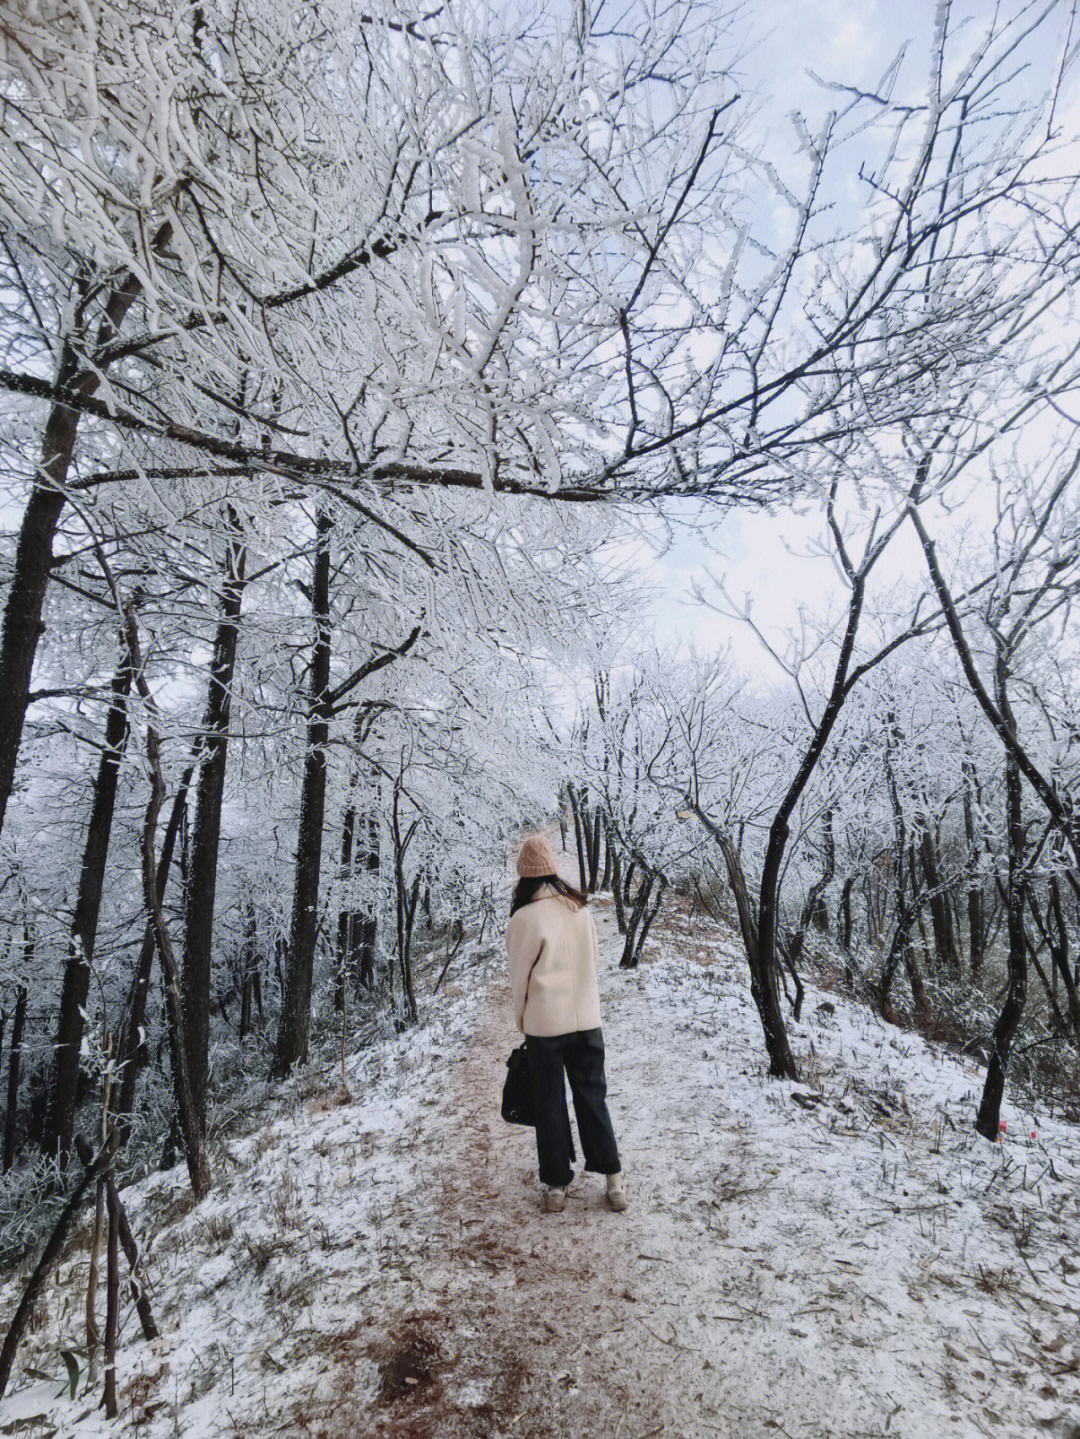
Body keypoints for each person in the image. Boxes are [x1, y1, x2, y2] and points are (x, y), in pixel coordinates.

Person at [505, 831, 627, 1214]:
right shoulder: (582, 911)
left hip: (546, 1028)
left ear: (524, 877)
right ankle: (614, 1181)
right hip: (587, 1023)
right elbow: (591, 965)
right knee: (593, 1099)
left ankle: (556, 1186)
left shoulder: (524, 918)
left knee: (550, 1105)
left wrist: (523, 1021)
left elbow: (519, 980)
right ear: (554, 872)